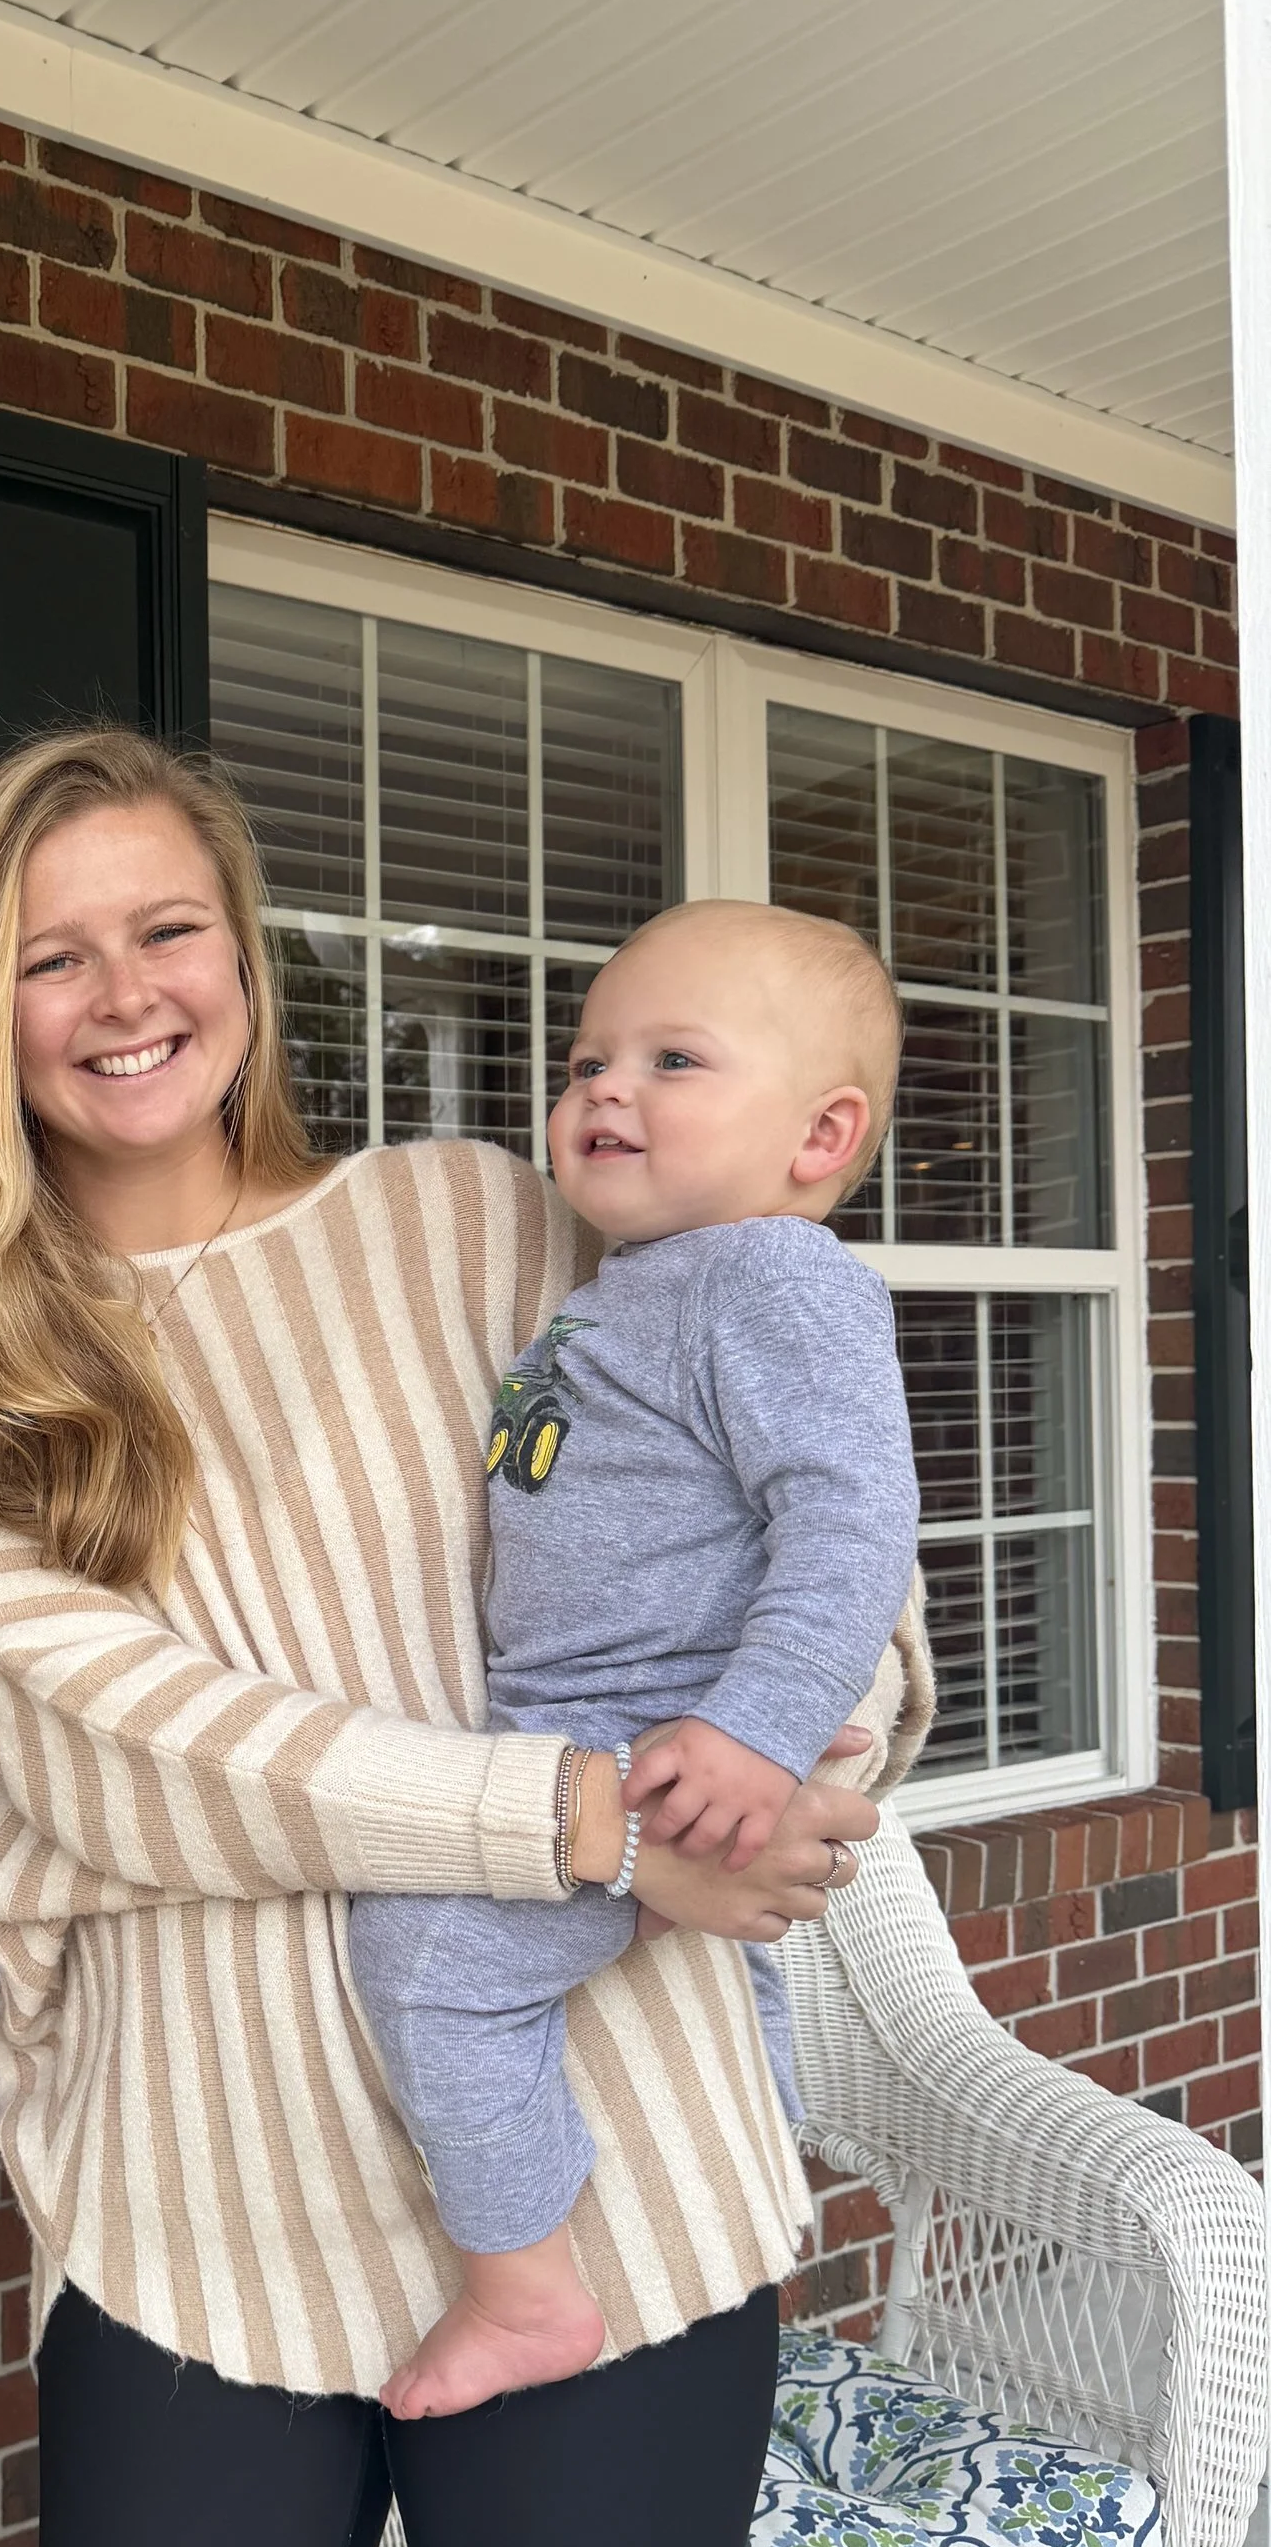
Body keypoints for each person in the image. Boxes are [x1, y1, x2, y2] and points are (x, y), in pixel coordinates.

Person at [0, 726, 926, 2547]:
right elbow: (145, 1751)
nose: (122, 995)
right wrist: (586, 1824)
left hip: (611, 2200)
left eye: (165, 928)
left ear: (243, 947)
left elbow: (811, 1526)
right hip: (197, 2222)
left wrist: (808, 1746)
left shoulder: (476, 1217)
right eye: (48, 956)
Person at [351, 901, 920, 2423]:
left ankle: (525, 2291)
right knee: (748, 2005)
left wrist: (758, 1726)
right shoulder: (633, 1287)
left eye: (675, 1059)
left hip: (665, 1735)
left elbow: (854, 1525)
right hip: (591, 1727)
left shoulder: (773, 1280)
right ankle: (760, 2220)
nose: (606, 1087)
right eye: (589, 1055)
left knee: (427, 1965)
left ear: (821, 1136)